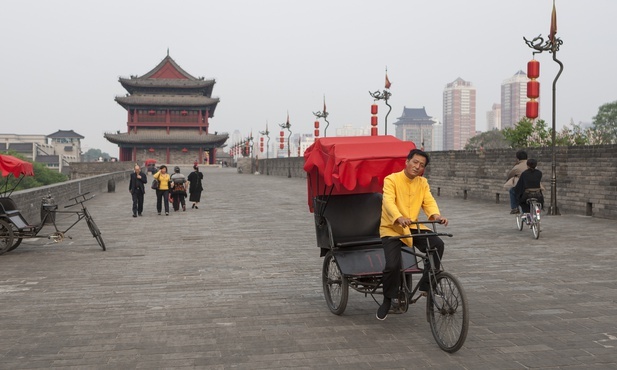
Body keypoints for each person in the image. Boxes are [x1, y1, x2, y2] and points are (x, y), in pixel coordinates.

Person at [377, 149, 448, 321]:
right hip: (392, 227)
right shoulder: (391, 179)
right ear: (407, 162)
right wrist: (398, 217)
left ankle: (427, 284)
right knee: (392, 265)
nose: (417, 167)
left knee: (437, 244)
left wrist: (436, 216)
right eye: (415, 162)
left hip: (412, 226)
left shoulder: (422, 183)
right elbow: (388, 201)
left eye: (421, 165)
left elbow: (428, 201)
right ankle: (388, 299)